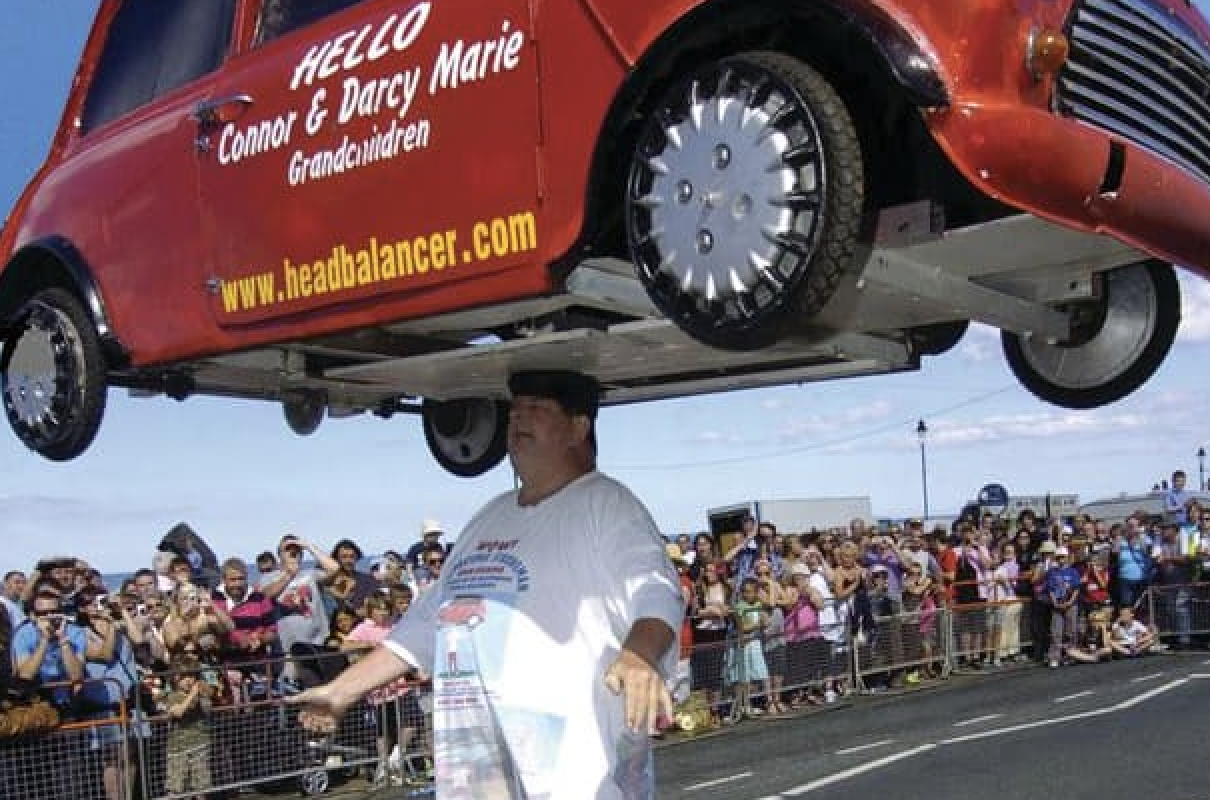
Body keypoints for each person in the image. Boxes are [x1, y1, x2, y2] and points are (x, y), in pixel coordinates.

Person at [291, 369, 683, 800]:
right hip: (482, 774)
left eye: (536, 409)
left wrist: (639, 656)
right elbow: (425, 624)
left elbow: (657, 589)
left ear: (579, 427)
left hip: (577, 774)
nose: (518, 420)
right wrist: (341, 691)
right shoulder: (489, 517)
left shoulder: (607, 505)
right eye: (515, 410)